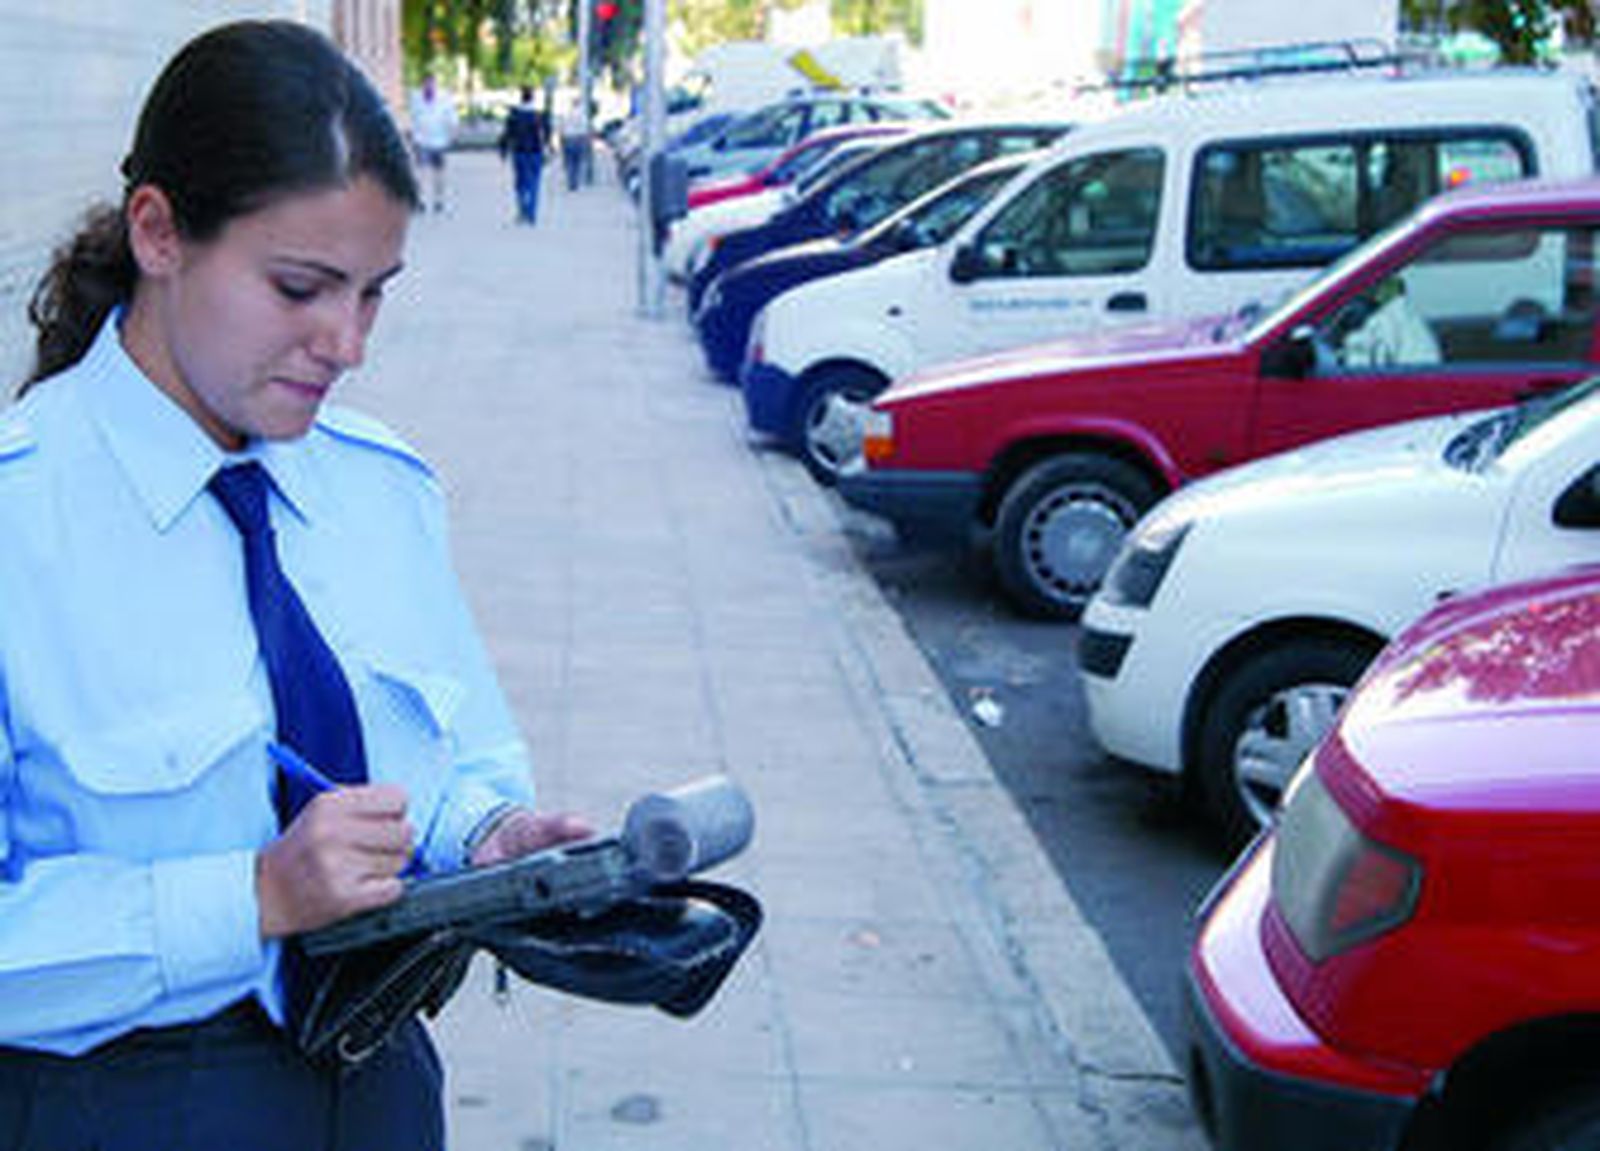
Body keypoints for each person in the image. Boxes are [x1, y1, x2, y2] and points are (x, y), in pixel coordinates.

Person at [0, 20, 588, 1150]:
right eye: (301, 287)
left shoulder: (378, 488)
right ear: (159, 232)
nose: (346, 342)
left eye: (374, 293)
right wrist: (254, 897)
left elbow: (457, 756)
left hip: (381, 1086)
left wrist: (493, 838)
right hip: (113, 1105)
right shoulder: (23, 527)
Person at [498, 86, 550, 225]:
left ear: (521, 97)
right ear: (533, 98)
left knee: (520, 184)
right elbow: (546, 136)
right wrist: (548, 150)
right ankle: (531, 214)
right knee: (534, 184)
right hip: (536, 152)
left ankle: (522, 210)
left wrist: (503, 152)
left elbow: (507, 135)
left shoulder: (514, 115)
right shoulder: (539, 115)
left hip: (519, 153)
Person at [408, 73, 458, 212]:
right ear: (422, 84)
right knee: (421, 171)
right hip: (421, 139)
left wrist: (453, 130)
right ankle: (421, 200)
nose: (428, 86)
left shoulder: (444, 97)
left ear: (435, 84)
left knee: (439, 173)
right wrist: (411, 134)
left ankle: (438, 200)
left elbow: (451, 114)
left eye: (431, 83)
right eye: (426, 83)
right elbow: (412, 116)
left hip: (439, 140)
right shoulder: (415, 97)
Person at [559, 96, 591, 192]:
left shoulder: (566, 114)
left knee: (569, 162)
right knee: (577, 162)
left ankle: (570, 181)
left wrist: (562, 140)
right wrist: (586, 140)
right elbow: (585, 128)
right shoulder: (582, 114)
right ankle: (575, 183)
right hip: (579, 139)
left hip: (568, 139)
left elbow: (561, 127)